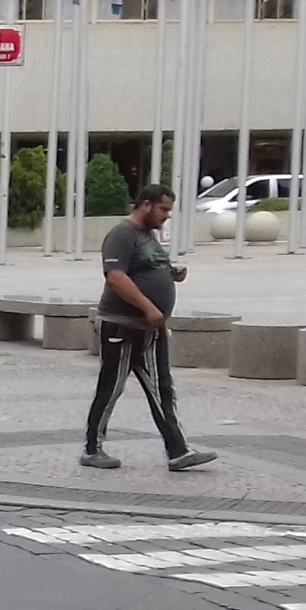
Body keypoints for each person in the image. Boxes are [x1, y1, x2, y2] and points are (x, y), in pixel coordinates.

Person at [83, 185, 215, 472]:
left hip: (151, 329)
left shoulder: (148, 237)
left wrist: (171, 274)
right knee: (111, 387)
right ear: (146, 205)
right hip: (122, 325)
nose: (167, 216)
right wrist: (148, 306)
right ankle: (92, 448)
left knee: (162, 388)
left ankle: (178, 451)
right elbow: (116, 277)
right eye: (163, 209)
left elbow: (145, 268)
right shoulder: (122, 234)